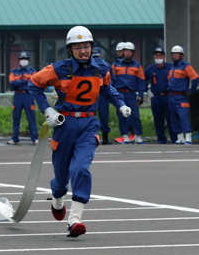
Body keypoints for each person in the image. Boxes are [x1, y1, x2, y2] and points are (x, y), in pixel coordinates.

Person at [29, 26, 129, 237]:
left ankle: (74, 219)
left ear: (92, 47)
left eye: (87, 46)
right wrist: (47, 110)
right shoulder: (58, 69)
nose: (83, 51)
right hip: (64, 126)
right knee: (61, 179)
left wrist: (120, 103)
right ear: (70, 49)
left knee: (81, 169)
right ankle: (57, 199)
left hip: (89, 124)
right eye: (78, 47)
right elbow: (34, 83)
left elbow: (106, 89)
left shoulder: (102, 68)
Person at [112, 42, 145, 144]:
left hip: (131, 93)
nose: (127, 53)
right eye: (126, 51)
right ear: (123, 52)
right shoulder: (116, 65)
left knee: (135, 115)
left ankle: (138, 136)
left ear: (132, 53)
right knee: (121, 115)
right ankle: (125, 135)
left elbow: (141, 81)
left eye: (129, 52)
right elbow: (111, 80)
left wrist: (140, 95)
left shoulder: (137, 66)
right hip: (119, 93)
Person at [167, 45, 199, 144]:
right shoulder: (172, 66)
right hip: (172, 95)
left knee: (183, 116)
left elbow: (196, 79)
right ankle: (180, 137)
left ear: (181, 55)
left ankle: (188, 136)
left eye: (177, 54)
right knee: (174, 117)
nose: (175, 56)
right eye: (173, 54)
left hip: (181, 96)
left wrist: (190, 91)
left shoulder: (186, 66)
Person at [7, 50, 38, 145]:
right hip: (18, 95)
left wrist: (20, 83)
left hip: (29, 95)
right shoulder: (14, 72)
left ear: (28, 59)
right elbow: (12, 83)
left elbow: (35, 82)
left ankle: (34, 138)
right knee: (16, 117)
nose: (23, 60)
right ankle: (15, 138)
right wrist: (26, 81)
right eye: (21, 59)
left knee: (31, 117)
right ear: (18, 60)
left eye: (25, 58)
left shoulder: (32, 71)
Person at [144, 46, 174, 144]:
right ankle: (161, 139)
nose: (158, 57)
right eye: (156, 56)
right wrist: (147, 90)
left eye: (160, 55)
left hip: (168, 96)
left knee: (171, 118)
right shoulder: (150, 69)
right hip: (156, 96)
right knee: (158, 119)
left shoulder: (170, 67)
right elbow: (142, 80)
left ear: (164, 57)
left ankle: (174, 138)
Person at [95, 46, 115, 145]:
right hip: (102, 92)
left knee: (91, 115)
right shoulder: (106, 65)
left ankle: (92, 137)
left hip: (94, 93)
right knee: (103, 115)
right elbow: (112, 80)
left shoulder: (86, 65)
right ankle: (105, 138)